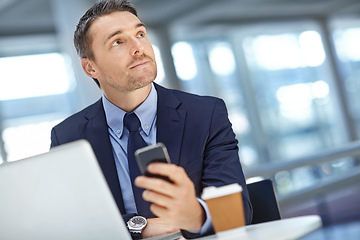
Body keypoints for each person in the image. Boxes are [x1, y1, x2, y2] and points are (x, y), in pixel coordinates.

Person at [50, 0, 252, 239]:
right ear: (91, 67)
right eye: (118, 41)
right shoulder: (67, 137)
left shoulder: (206, 114)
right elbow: (72, 222)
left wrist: (194, 215)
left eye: (140, 34)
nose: (138, 47)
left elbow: (237, 209)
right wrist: (140, 226)